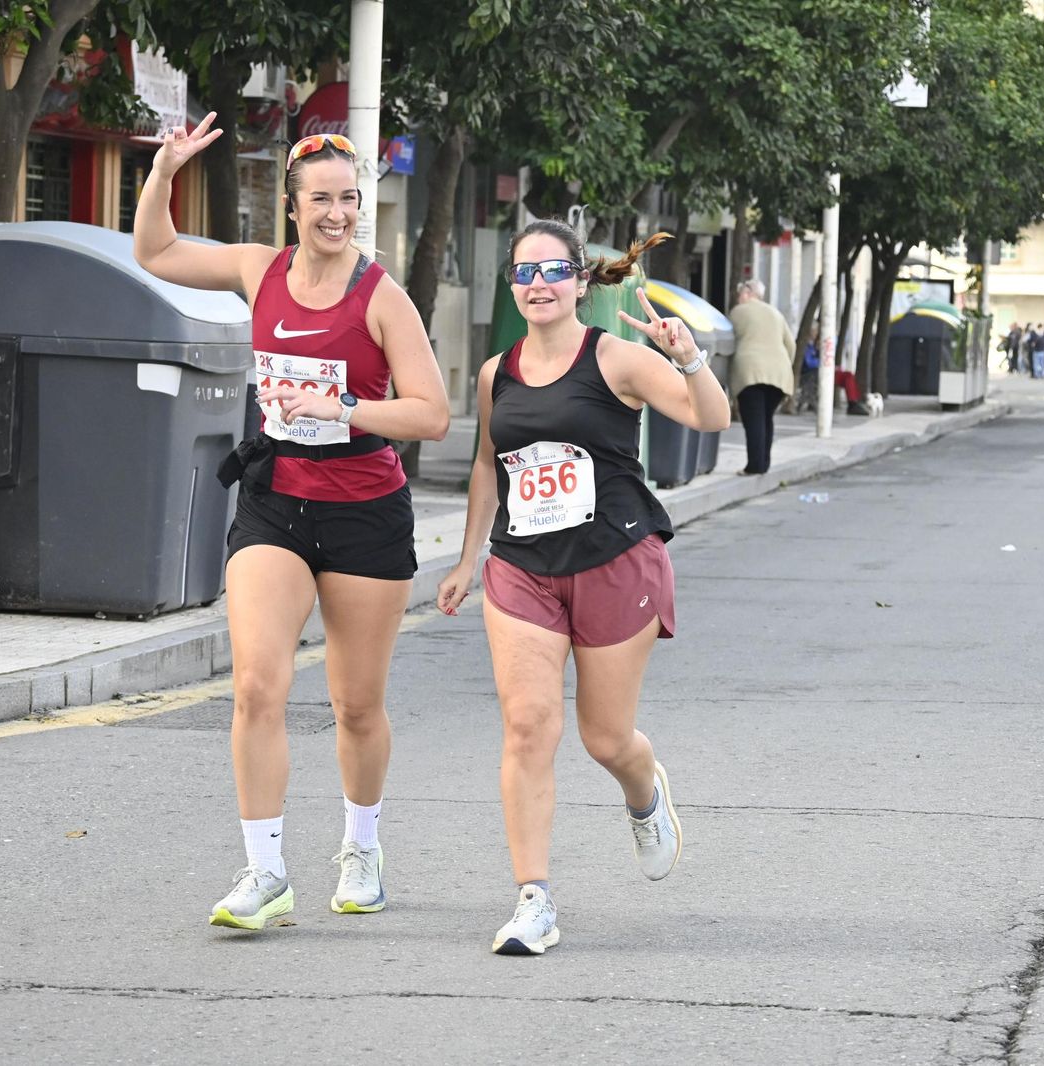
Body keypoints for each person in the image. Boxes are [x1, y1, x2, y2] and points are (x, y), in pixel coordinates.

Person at [134, 120, 451, 930]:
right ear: (291, 206)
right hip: (275, 500)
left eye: (350, 199)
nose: (338, 213)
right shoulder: (257, 268)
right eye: (322, 199)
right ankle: (266, 869)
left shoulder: (383, 298)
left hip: (364, 514)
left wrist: (343, 405)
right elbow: (156, 252)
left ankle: (362, 845)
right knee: (256, 685)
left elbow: (433, 414)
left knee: (355, 705)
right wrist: (164, 170)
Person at [435, 220, 729, 955]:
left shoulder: (618, 360)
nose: (538, 285)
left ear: (578, 280)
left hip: (615, 561)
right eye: (524, 274)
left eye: (552, 272)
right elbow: (485, 467)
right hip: (522, 570)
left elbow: (709, 416)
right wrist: (468, 559)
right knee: (530, 726)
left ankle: (644, 792)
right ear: (512, 286)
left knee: (605, 737)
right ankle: (534, 899)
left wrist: (691, 359)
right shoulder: (494, 372)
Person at [727, 280, 795, 475]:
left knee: (753, 419)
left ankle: (754, 466)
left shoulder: (738, 311)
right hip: (780, 373)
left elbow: (727, 341)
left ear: (748, 293)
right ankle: (764, 463)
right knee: (766, 417)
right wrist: (782, 366)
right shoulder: (775, 313)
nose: (739, 298)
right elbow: (791, 345)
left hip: (750, 371)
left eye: (740, 294)